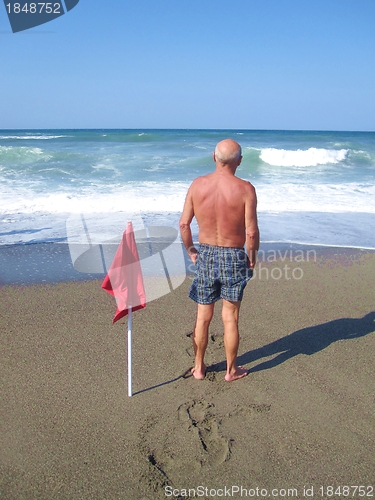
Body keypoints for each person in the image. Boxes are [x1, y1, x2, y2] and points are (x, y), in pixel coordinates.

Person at [179, 139, 259, 382]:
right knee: (230, 317)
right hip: (233, 255)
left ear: (214, 157)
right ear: (240, 161)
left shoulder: (197, 185)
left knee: (203, 316)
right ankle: (231, 370)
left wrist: (192, 251)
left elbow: (184, 224)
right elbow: (252, 233)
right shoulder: (245, 189)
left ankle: (199, 368)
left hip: (206, 254)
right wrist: (252, 258)